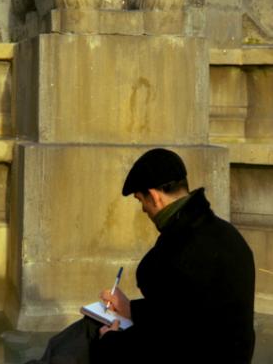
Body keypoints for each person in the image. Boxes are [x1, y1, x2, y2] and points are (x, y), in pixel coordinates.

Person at [25, 148, 255, 364]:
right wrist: (130, 309)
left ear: (154, 196)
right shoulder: (227, 235)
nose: (143, 209)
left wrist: (110, 342)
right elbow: (187, 312)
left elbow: (164, 342)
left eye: (140, 200)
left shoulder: (177, 253)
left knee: (90, 333)